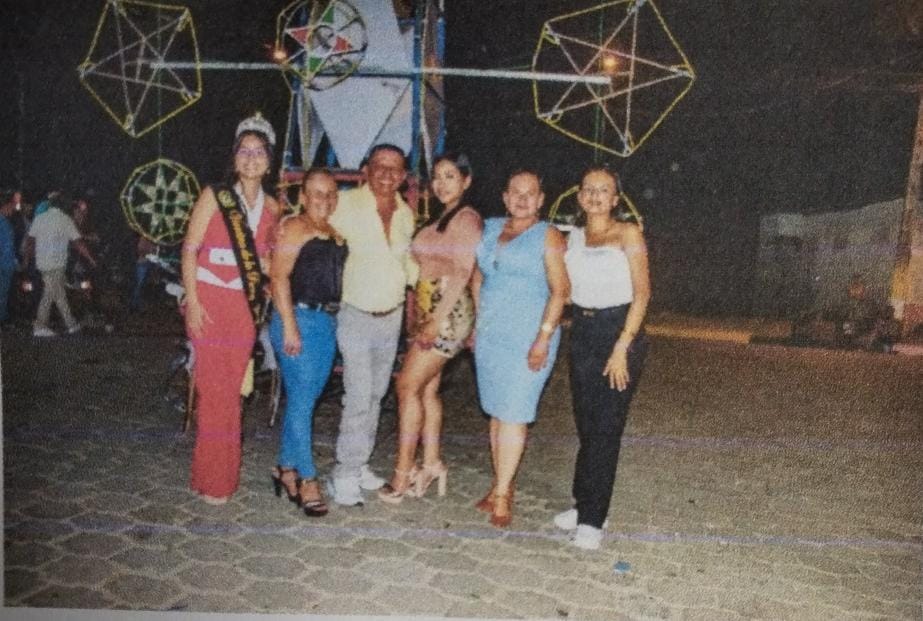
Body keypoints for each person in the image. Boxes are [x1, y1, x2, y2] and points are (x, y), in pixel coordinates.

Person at [181, 113, 280, 505]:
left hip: (242, 307)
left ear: (269, 162)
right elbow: (190, 250)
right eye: (244, 151)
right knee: (213, 391)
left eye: (259, 152)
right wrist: (192, 302)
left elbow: (269, 262)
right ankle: (215, 480)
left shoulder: (274, 208)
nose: (251, 159)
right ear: (235, 157)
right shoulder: (215, 195)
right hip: (208, 300)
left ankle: (213, 475)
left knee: (230, 392)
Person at [553, 166, 650, 550]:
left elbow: (642, 294)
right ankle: (584, 504)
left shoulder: (629, 233)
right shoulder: (572, 237)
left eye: (604, 190)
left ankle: (593, 520)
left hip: (619, 332)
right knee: (586, 424)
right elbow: (561, 288)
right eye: (589, 189)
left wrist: (622, 347)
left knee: (605, 428)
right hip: (583, 331)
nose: (595, 195)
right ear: (579, 196)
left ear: (615, 199)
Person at [378, 152, 483, 503]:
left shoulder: (466, 219)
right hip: (431, 309)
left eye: (450, 176)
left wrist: (435, 321)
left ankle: (402, 473)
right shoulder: (441, 217)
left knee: (406, 386)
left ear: (466, 181)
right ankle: (432, 463)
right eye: (437, 176)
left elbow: (463, 272)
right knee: (425, 390)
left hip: (447, 315)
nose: (441, 183)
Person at [470, 169, 569, 528]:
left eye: (531, 193)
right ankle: (502, 484)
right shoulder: (490, 228)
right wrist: (479, 321)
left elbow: (561, 291)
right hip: (492, 336)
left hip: (529, 338)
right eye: (516, 192)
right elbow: (479, 276)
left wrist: (543, 337)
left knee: (514, 413)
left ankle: (501, 495)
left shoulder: (548, 235)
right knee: (498, 412)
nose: (523, 199)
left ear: (541, 200)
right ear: (505, 197)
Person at [327, 144, 417, 507]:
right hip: (355, 313)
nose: (386, 174)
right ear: (366, 169)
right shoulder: (346, 203)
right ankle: (344, 473)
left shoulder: (406, 214)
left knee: (377, 394)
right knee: (358, 395)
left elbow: (407, 266)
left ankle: (360, 462)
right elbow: (314, 227)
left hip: (391, 316)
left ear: (404, 177)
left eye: (395, 169)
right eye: (380, 166)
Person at [268, 168, 346, 518]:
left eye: (330, 193)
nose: (324, 199)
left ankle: (285, 467)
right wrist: (289, 327)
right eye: (316, 192)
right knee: (301, 402)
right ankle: (308, 479)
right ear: (303, 196)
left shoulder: (334, 232)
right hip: (296, 320)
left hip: (325, 324)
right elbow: (278, 277)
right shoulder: (296, 227)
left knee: (304, 402)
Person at [24, 192, 97, 337]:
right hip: (56, 263)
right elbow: (78, 243)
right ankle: (39, 326)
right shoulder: (65, 220)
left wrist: (27, 258)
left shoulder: (40, 218)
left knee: (59, 294)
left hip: (42, 262)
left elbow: (30, 240)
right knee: (49, 293)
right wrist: (90, 258)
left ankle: (71, 324)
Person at [0, 191, 19, 326]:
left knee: (4, 293)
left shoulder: (6, 222)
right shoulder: (2, 223)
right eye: (12, 206)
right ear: (6, 206)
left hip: (8, 264)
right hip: (3, 265)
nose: (13, 210)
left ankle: (4, 316)